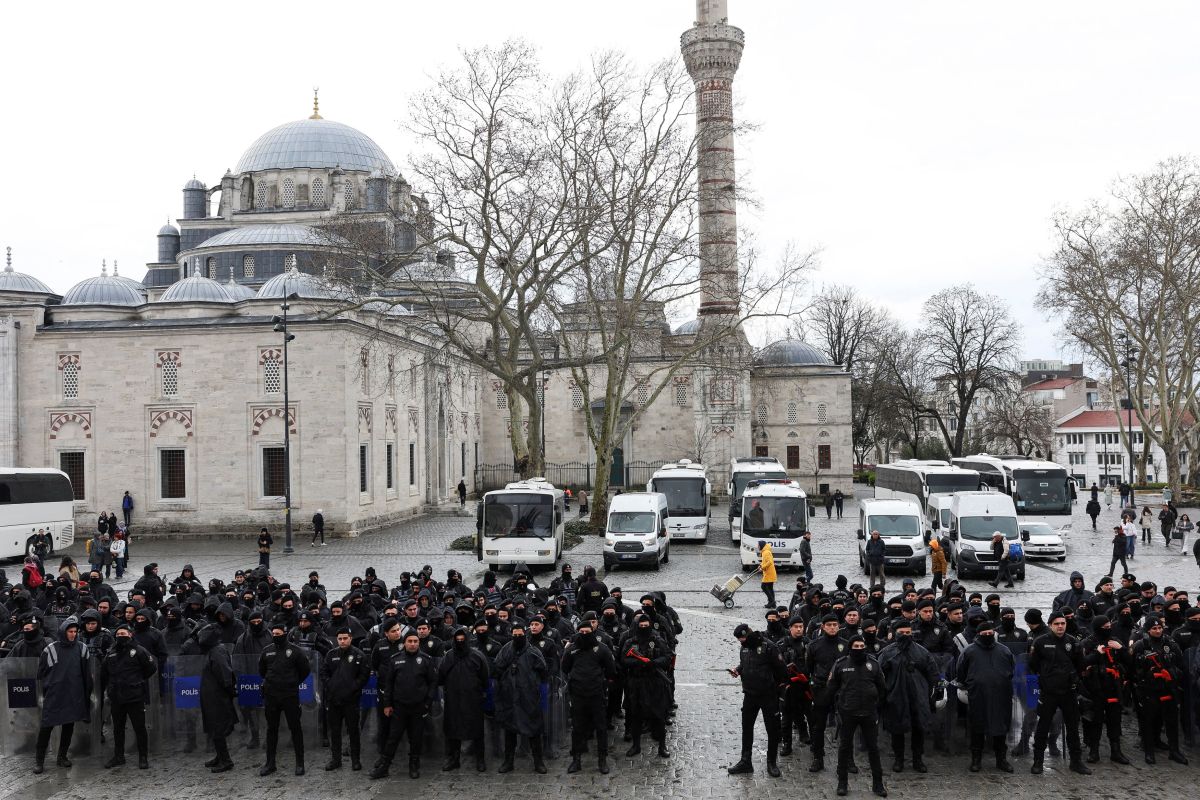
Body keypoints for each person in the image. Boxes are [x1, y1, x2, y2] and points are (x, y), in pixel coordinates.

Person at [1028, 611, 1090, 775]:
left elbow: (1080, 665)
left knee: (1073, 728)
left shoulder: (1073, 642)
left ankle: (1076, 762)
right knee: (1043, 727)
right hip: (1048, 692)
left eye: (1063, 623)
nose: (1060, 626)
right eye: (1056, 624)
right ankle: (1038, 761)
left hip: (1068, 692)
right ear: (1050, 625)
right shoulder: (1040, 642)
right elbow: (1033, 665)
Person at [372, 630, 438, 779]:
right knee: (393, 738)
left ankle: (414, 765)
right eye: (410, 641)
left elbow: (433, 682)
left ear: (418, 643)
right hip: (399, 707)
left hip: (418, 707)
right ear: (405, 643)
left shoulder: (426, 659)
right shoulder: (395, 659)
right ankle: (385, 766)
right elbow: (388, 684)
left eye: (415, 641)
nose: (413, 644)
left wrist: (427, 702)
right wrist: (387, 704)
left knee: (416, 738)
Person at [826, 635, 886, 797]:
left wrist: (876, 705)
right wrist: (835, 710)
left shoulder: (873, 664)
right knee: (844, 748)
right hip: (847, 712)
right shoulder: (841, 664)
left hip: (869, 713)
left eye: (862, 646)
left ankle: (878, 783)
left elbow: (882, 687)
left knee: (873, 748)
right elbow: (831, 688)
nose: (859, 649)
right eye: (856, 646)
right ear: (850, 647)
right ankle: (842, 782)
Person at [878, 619, 938, 774]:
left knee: (918, 729)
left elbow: (932, 673)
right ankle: (899, 760)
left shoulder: (922, 651)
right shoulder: (887, 652)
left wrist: (932, 693)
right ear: (895, 633)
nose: (905, 635)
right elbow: (879, 675)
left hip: (918, 696)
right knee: (897, 729)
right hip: (896, 696)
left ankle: (917, 759)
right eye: (901, 633)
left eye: (907, 632)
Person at [34, 619, 93, 774]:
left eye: (75, 632)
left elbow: (87, 674)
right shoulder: (50, 650)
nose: (73, 634)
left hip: (73, 694)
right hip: (54, 694)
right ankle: (39, 760)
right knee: (46, 728)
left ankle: (62, 756)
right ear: (63, 631)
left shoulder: (82, 648)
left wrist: (85, 696)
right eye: (70, 631)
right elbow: (41, 674)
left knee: (68, 726)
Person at [727, 624, 786, 777]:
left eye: (743, 639)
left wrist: (776, 689)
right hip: (750, 695)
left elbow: (782, 670)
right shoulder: (744, 647)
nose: (741, 642)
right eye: (739, 640)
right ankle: (745, 761)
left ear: (749, 634)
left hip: (768, 696)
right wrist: (738, 670)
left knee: (772, 730)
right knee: (747, 728)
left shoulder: (769, 647)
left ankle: (771, 762)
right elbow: (745, 662)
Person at [956, 620, 1015, 772]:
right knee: (978, 727)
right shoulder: (969, 651)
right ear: (979, 635)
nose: (988, 635)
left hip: (1001, 696)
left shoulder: (1004, 650)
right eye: (985, 634)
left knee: (1000, 728)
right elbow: (961, 672)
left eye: (990, 633)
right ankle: (976, 760)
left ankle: (1001, 759)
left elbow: (1011, 669)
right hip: (978, 696)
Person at [1130, 614, 1188, 764]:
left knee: (1171, 720)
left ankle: (1174, 751)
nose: (1157, 631)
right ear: (1148, 630)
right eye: (1154, 628)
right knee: (1148, 720)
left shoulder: (1171, 643)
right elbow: (1132, 669)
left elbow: (1181, 666)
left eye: (1159, 628)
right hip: (1148, 689)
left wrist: (1172, 673)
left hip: (1168, 687)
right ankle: (1149, 751)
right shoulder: (1141, 645)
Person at [562, 617, 617, 774]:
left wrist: (603, 684)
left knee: (600, 728)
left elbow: (611, 670)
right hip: (578, 694)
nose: (584, 634)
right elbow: (565, 667)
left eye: (587, 631)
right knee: (577, 728)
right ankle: (576, 759)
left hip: (596, 694)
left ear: (592, 632)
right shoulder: (571, 649)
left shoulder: (602, 648)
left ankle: (602, 760)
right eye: (582, 632)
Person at [494, 619, 549, 774]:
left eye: (520, 634)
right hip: (510, 698)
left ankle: (538, 762)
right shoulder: (506, 650)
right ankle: (508, 762)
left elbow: (543, 672)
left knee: (534, 730)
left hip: (529, 698)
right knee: (510, 731)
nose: (517, 637)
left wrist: (538, 692)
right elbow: (497, 668)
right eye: (515, 635)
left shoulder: (533, 651)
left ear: (525, 634)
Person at [258, 620, 312, 776]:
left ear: (285, 633)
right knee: (271, 729)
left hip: (289, 695)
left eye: (279, 634)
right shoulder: (267, 651)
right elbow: (262, 671)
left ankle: (300, 763)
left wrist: (293, 682)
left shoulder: (295, 651)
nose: (276, 636)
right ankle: (270, 763)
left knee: (295, 728)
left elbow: (305, 670)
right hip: (271, 696)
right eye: (274, 634)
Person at [101, 623, 157, 769]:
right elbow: (104, 672)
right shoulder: (111, 652)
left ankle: (143, 757)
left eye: (124, 634)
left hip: (134, 696)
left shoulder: (139, 650)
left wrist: (137, 680)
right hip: (117, 697)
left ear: (130, 634)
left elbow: (151, 668)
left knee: (139, 728)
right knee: (117, 729)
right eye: (118, 634)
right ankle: (118, 756)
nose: (121, 636)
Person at [438, 626, 490, 772]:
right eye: (457, 639)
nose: (460, 641)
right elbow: (441, 676)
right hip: (453, 700)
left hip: (473, 700)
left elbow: (485, 677)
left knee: (477, 730)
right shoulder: (448, 656)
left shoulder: (477, 656)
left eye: (463, 639)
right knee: (452, 729)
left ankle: (480, 759)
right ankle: (453, 759)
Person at [1080, 617, 1131, 765]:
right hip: (1095, 687)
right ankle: (1093, 751)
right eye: (1105, 626)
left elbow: (1129, 661)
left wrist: (1120, 649)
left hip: (1114, 687)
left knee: (1115, 720)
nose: (1108, 628)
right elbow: (1082, 663)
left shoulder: (1115, 641)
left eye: (1109, 626)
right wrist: (1097, 653)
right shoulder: (1088, 643)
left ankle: (1116, 751)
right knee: (1095, 720)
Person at [320, 627, 369, 772]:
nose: (342, 641)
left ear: (350, 638)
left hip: (351, 700)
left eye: (345, 638)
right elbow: (324, 672)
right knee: (335, 731)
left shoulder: (359, 655)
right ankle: (336, 760)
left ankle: (356, 760)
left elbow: (364, 675)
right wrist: (330, 685)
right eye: (340, 639)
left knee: (353, 731)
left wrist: (354, 687)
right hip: (334, 700)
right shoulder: (331, 654)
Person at [197, 624, 237, 773]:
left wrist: (228, 690)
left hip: (218, 696)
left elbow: (224, 673)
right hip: (211, 695)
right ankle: (220, 756)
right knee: (214, 727)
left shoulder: (217, 651)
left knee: (218, 727)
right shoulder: (212, 650)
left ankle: (226, 760)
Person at [759, 541, 777, 608]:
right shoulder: (765, 551)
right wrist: (760, 565)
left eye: (758, 545)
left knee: (763, 587)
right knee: (770, 588)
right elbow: (765, 561)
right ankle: (772, 603)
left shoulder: (766, 552)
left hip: (769, 573)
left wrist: (762, 567)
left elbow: (769, 562)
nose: (757, 546)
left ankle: (772, 602)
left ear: (761, 545)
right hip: (769, 572)